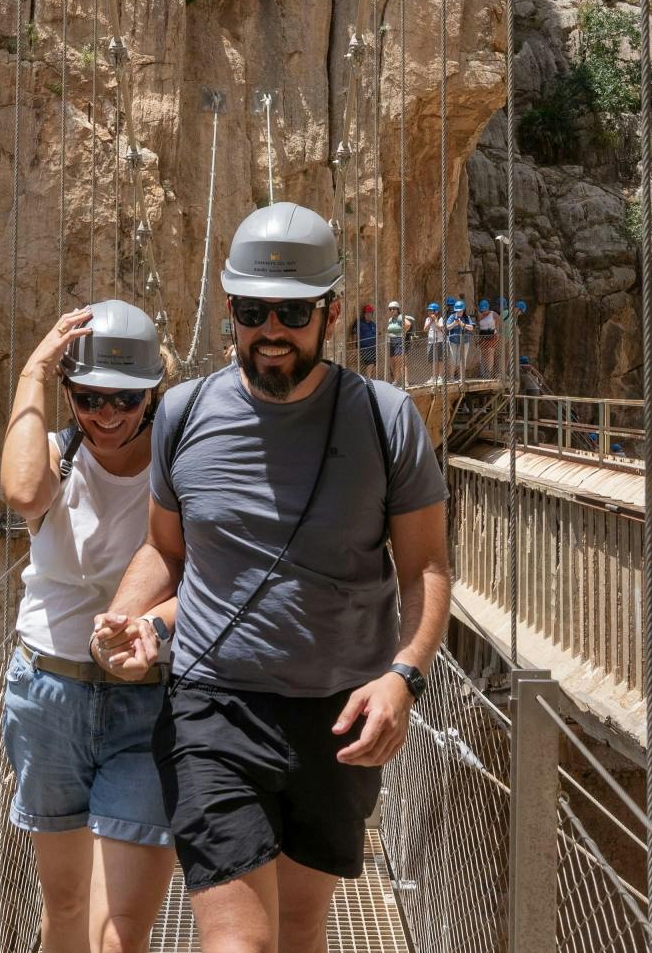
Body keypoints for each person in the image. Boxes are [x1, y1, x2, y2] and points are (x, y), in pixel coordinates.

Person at [91, 203, 451, 953]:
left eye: (292, 310)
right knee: (237, 944)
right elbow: (165, 551)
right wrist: (127, 619)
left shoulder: (386, 420)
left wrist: (403, 678)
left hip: (339, 714)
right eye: (254, 310)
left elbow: (425, 568)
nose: (272, 330)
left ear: (333, 311)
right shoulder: (184, 414)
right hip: (214, 703)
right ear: (231, 311)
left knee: (298, 930)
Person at [0, 300, 175, 953]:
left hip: (146, 700)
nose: (105, 414)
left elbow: (210, 571)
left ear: (152, 392)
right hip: (48, 699)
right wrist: (33, 372)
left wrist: (149, 622)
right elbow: (21, 491)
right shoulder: (57, 455)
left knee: (121, 933)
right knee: (66, 904)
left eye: (124, 399)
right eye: (88, 396)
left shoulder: (177, 462)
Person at [385, 301, 408, 385]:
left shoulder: (400, 317)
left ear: (397, 309)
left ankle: (405, 381)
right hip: (392, 341)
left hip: (398, 340)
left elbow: (408, 324)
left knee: (401, 361)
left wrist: (403, 333)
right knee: (394, 362)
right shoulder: (390, 319)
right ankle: (396, 380)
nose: (391, 310)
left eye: (393, 309)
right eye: (390, 309)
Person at [474, 299, 498, 378]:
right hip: (482, 336)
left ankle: (489, 372)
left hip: (491, 335)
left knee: (490, 353)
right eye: (482, 310)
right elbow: (477, 326)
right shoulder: (480, 315)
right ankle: (483, 371)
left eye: (485, 310)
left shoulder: (493, 314)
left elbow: (498, 323)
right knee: (483, 354)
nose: (484, 311)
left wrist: (497, 331)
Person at [423, 302, 444, 382]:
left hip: (439, 341)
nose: (429, 312)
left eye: (430, 311)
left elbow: (440, 328)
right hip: (431, 342)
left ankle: (440, 377)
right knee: (432, 360)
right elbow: (425, 329)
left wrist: (435, 320)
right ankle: (433, 376)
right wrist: (430, 322)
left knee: (439, 359)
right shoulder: (427, 319)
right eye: (428, 310)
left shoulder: (441, 319)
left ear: (436, 311)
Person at [356, 304, 378, 373]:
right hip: (365, 348)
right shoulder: (360, 323)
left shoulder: (373, 324)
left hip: (373, 348)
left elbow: (375, 334)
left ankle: (371, 380)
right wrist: (354, 346)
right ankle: (368, 380)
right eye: (367, 313)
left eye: (370, 313)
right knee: (370, 363)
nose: (368, 315)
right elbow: (354, 334)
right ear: (364, 314)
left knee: (374, 364)